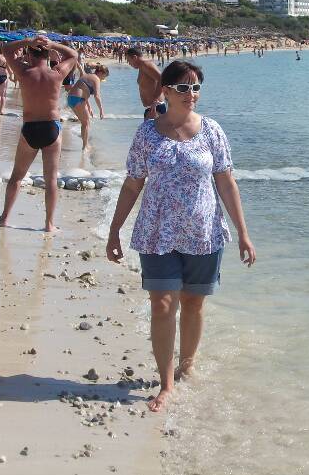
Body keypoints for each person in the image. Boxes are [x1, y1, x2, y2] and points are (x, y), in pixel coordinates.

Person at [106, 60, 256, 412]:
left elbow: (226, 182)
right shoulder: (147, 134)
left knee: (193, 303)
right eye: (184, 87)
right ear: (166, 91)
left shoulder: (212, 131)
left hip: (203, 233)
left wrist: (243, 233)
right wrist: (114, 231)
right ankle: (166, 384)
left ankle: (187, 366)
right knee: (161, 305)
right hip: (156, 232)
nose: (192, 94)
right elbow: (132, 184)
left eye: (196, 87)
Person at [0, 35, 78, 233]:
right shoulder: (57, 73)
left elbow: (6, 49)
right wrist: (54, 44)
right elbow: (74, 55)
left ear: (29, 54)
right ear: (48, 55)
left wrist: (27, 41)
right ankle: (49, 224)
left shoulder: (23, 72)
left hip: (30, 128)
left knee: (17, 177)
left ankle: (5, 217)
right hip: (51, 128)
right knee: (51, 180)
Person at [67, 64, 107, 152]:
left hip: (71, 99)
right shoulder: (96, 78)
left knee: (84, 122)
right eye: (104, 76)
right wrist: (101, 110)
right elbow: (97, 96)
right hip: (78, 99)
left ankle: (85, 145)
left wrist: (89, 107)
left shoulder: (87, 76)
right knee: (86, 123)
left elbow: (84, 91)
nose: (102, 79)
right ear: (101, 73)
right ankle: (85, 147)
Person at [125, 46, 164, 119]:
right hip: (151, 108)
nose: (129, 63)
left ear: (135, 57)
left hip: (156, 107)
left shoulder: (146, 64)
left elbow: (162, 79)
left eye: (129, 60)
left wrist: (155, 99)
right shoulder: (142, 67)